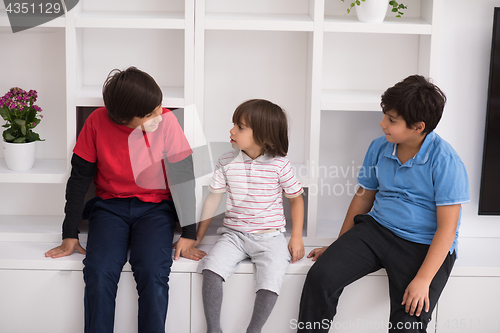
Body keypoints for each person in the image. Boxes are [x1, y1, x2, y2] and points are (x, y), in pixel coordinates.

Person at [297, 75, 470, 333]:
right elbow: (364, 196)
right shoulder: (379, 147)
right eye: (385, 116)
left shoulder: (446, 161)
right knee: (320, 276)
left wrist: (423, 279)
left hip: (422, 244)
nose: (382, 124)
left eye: (391, 120)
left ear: (418, 127)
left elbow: (447, 229)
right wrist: (340, 244)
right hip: (376, 229)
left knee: (407, 324)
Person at [45, 66, 205, 333]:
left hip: (155, 209)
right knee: (98, 271)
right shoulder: (96, 122)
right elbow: (79, 180)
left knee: (153, 271)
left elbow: (183, 177)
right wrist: (69, 233)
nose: (159, 115)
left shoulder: (166, 121)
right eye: (149, 114)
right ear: (123, 118)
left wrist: (189, 232)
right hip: (109, 208)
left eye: (158, 107)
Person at [192, 99, 305, 333]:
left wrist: (296, 238)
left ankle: (254, 330)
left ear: (263, 136)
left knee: (271, 278)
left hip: (270, 237)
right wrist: (196, 237)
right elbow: (213, 199)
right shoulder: (226, 161)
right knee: (211, 269)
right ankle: (214, 329)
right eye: (234, 124)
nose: (232, 130)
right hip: (233, 235)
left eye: (240, 127)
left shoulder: (280, 165)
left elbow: (296, 199)